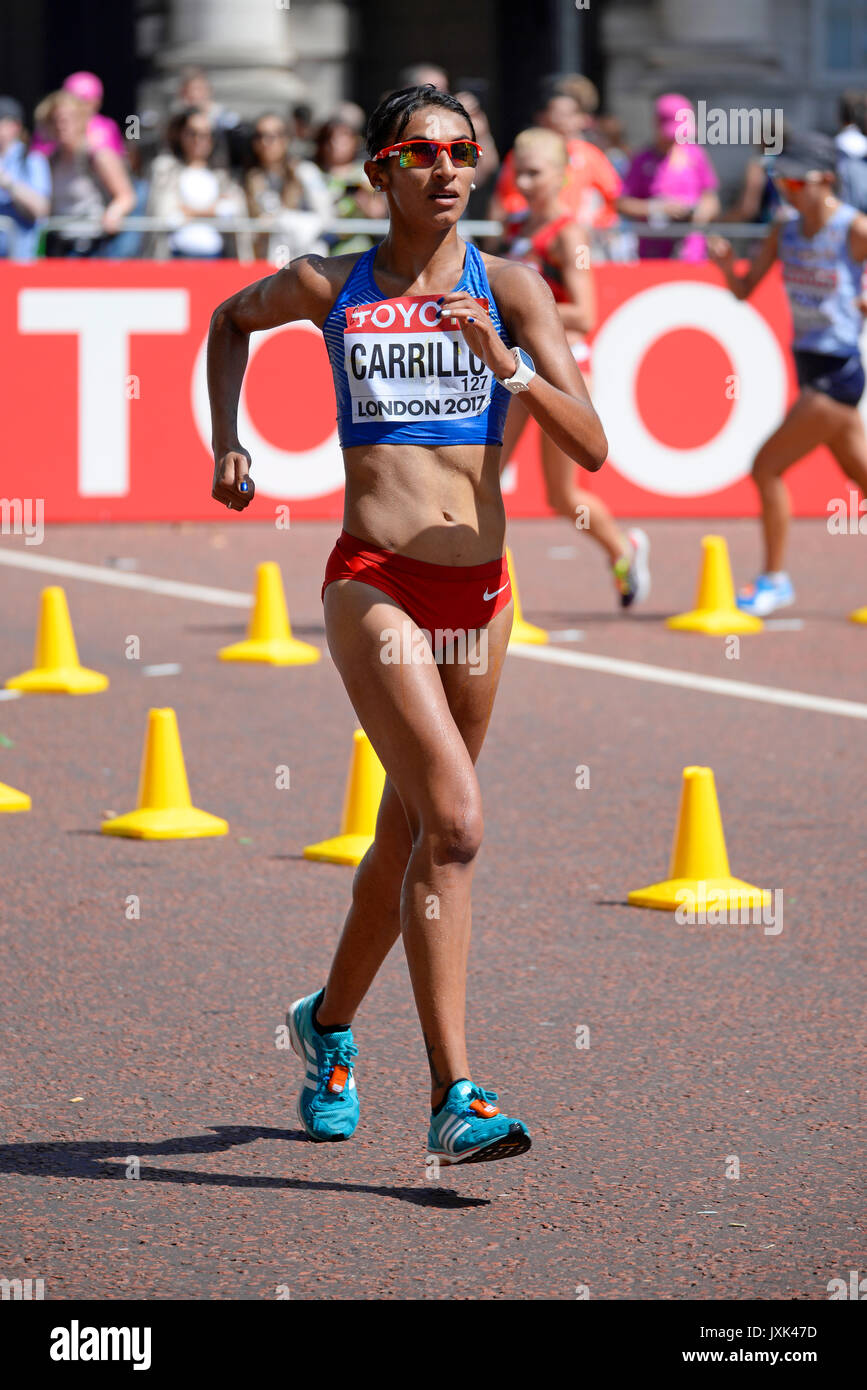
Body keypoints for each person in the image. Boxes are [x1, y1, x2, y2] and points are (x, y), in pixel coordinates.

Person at [206, 83, 607, 1165]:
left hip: (483, 596)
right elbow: (226, 323)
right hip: (373, 581)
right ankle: (455, 1093)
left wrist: (510, 364)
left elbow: (593, 446)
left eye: (462, 152)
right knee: (461, 825)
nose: (447, 169)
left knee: (410, 836)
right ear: (379, 171)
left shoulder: (510, 288)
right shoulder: (329, 283)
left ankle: (326, 1026)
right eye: (422, 153)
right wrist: (227, 445)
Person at [708, 132, 867, 617]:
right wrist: (722, 266)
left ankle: (775, 581)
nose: (785, 188)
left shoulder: (853, 228)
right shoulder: (785, 230)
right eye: (779, 178)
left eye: (794, 179)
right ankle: (775, 581)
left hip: (839, 371)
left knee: (767, 467)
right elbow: (743, 290)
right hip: (808, 364)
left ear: (824, 180)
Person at [499, 127, 649, 605]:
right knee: (480, 481)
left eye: (534, 172)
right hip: (518, 369)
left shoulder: (568, 234)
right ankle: (478, 590)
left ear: (562, 175)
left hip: (563, 372)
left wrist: (515, 310)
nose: (523, 182)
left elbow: (585, 313)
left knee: (562, 498)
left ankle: (623, 549)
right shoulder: (517, 229)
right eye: (518, 171)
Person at [490, 81, 622, 240]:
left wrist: (596, 226)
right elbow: (502, 200)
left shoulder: (590, 155)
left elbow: (614, 197)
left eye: (570, 114)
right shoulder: (521, 153)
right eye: (558, 113)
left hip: (571, 235)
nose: (524, 182)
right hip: (528, 234)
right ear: (542, 117)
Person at [618, 93, 720, 261]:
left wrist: (700, 213)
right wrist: (657, 208)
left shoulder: (696, 154)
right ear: (657, 125)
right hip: (653, 253)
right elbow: (622, 203)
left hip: (691, 253)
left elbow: (711, 198)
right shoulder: (642, 160)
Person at [38, 90, 134, 257]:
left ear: (81, 120)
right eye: (55, 120)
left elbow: (126, 196)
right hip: (58, 246)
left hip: (92, 247)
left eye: (67, 119)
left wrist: (113, 213)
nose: (61, 125)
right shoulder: (49, 161)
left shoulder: (98, 155)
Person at [146, 107, 247, 260]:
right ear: (180, 135)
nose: (198, 140)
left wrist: (190, 212)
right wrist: (213, 210)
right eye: (192, 133)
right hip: (176, 257)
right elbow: (166, 217)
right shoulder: (165, 170)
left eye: (205, 135)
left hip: (217, 257)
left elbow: (233, 212)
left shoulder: (222, 177)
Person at [244, 112, 333, 264]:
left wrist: (281, 219)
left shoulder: (305, 172)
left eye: (273, 136)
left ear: (285, 139)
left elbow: (326, 215)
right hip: (264, 261)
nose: (266, 142)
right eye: (259, 136)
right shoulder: (250, 177)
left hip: (303, 257)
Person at [314, 114, 385, 255]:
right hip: (317, 247)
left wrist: (360, 196)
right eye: (330, 138)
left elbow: (378, 213)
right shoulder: (311, 173)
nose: (335, 144)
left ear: (354, 142)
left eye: (343, 139)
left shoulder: (364, 174)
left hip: (354, 250)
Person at [0, 96, 50, 259]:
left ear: (15, 126)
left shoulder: (33, 160)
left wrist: (7, 183)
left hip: (20, 260)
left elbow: (41, 209)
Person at [31, 71, 125, 158]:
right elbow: (37, 159)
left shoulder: (106, 127)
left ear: (97, 103)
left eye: (85, 102)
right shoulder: (46, 127)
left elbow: (117, 161)